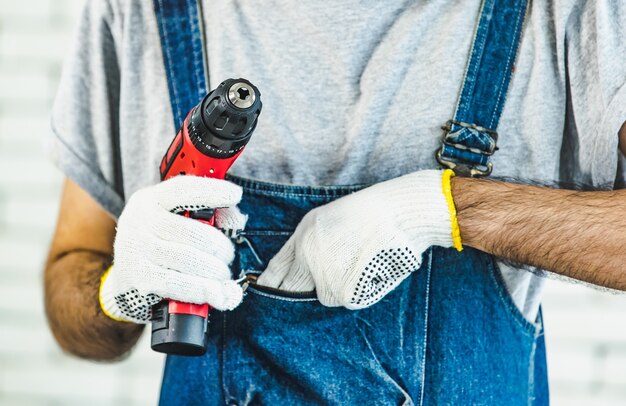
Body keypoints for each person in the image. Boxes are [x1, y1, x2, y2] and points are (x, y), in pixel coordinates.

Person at [44, 0, 626, 404]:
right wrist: (118, 290)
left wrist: (445, 209)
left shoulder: (566, 14)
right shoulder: (144, 13)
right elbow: (71, 298)